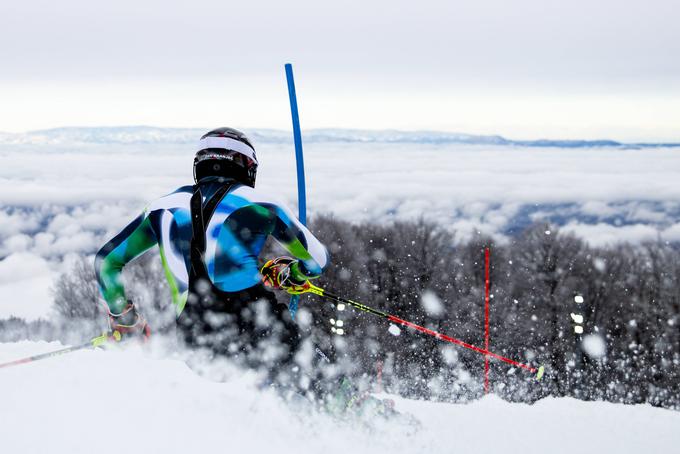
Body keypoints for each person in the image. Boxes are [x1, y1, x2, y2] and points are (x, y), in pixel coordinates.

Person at [94, 127, 330, 389]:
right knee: (324, 387)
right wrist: (291, 273)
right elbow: (317, 260)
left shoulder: (160, 208)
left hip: (194, 340)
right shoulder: (261, 202)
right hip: (261, 329)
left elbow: (106, 262)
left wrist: (126, 321)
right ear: (247, 167)